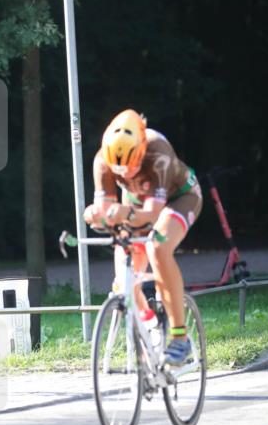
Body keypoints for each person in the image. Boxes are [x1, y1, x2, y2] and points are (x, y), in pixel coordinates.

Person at [82, 109, 202, 365]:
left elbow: (152, 213)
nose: (125, 174)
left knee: (158, 248)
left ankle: (181, 339)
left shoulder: (158, 151)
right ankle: (150, 324)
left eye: (132, 166)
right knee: (124, 272)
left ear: (141, 150)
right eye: (120, 171)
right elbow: (105, 210)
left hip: (179, 198)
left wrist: (121, 212)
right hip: (136, 206)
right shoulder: (102, 161)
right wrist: (94, 214)